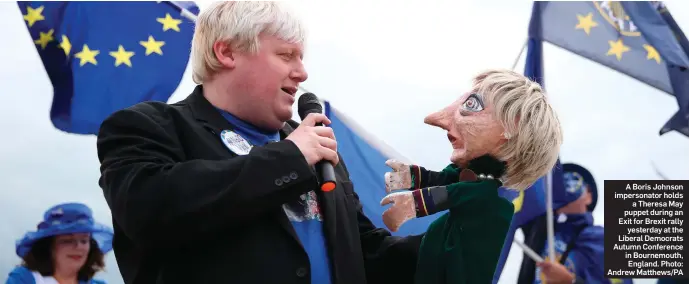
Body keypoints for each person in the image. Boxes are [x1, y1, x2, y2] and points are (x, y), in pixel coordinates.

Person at [96, 2, 422, 284]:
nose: (302, 72)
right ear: (226, 52)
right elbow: (148, 211)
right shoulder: (148, 126)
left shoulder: (316, 146)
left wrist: (455, 239)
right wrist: (290, 158)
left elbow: (364, 250)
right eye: (286, 55)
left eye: (301, 58)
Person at [380, 69, 563, 284]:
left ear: (512, 125)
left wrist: (413, 203)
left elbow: (453, 193)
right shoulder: (466, 180)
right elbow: (443, 181)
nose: (440, 121)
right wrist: (411, 177)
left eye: (472, 105)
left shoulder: (490, 204)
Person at [516, 163, 630, 284]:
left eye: (574, 179)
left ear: (589, 196)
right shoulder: (538, 231)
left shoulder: (605, 239)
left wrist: (571, 281)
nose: (565, 183)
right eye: (559, 182)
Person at [5, 202, 113, 284]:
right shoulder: (23, 279)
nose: (78, 247)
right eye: (67, 240)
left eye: (84, 240)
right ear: (48, 246)